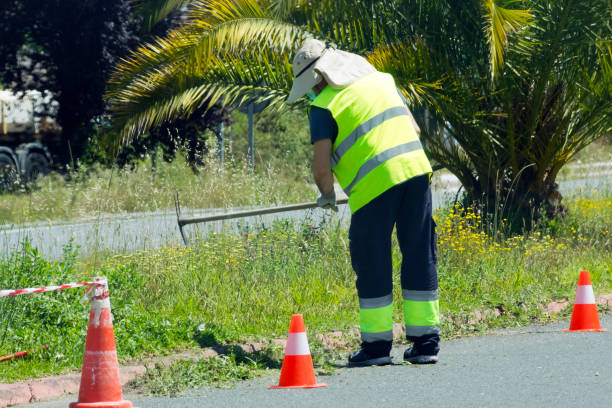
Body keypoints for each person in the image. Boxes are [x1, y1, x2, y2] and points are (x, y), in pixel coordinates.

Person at [286, 39, 440, 366]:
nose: (311, 93)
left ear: (318, 79)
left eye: (311, 87)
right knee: (419, 252)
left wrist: (327, 194)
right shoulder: (382, 80)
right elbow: (412, 127)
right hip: (416, 171)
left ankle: (376, 348)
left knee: (372, 262)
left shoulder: (324, 106)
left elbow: (321, 167)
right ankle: (426, 343)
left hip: (374, 187)